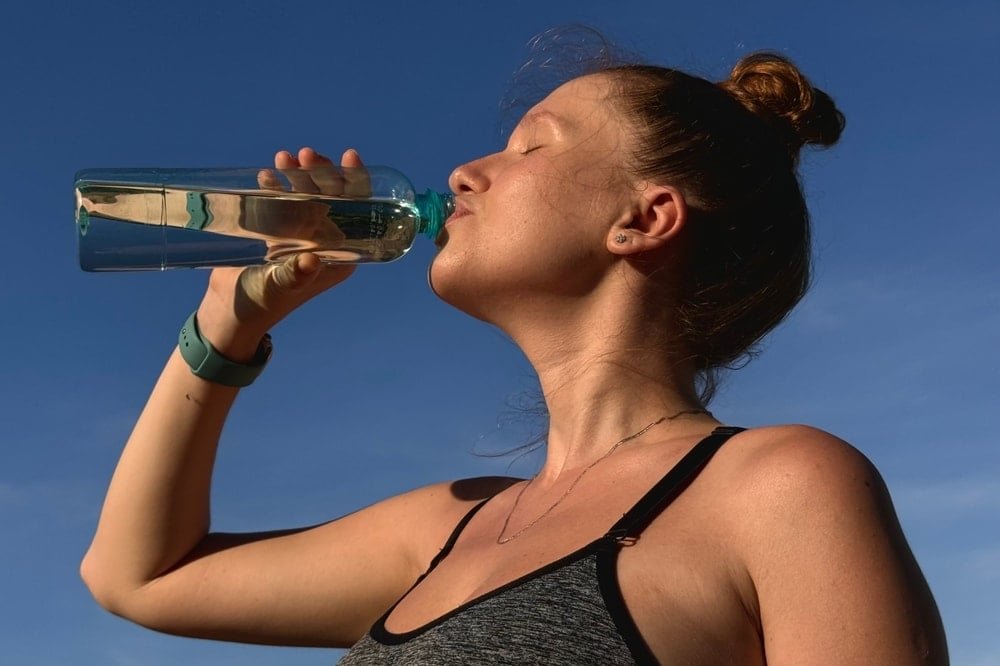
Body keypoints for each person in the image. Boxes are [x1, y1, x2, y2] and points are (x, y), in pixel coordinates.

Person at [80, 42, 949, 665]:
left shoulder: (781, 487)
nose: (464, 170)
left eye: (532, 144)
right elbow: (138, 577)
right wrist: (224, 327)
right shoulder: (443, 527)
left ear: (643, 218)